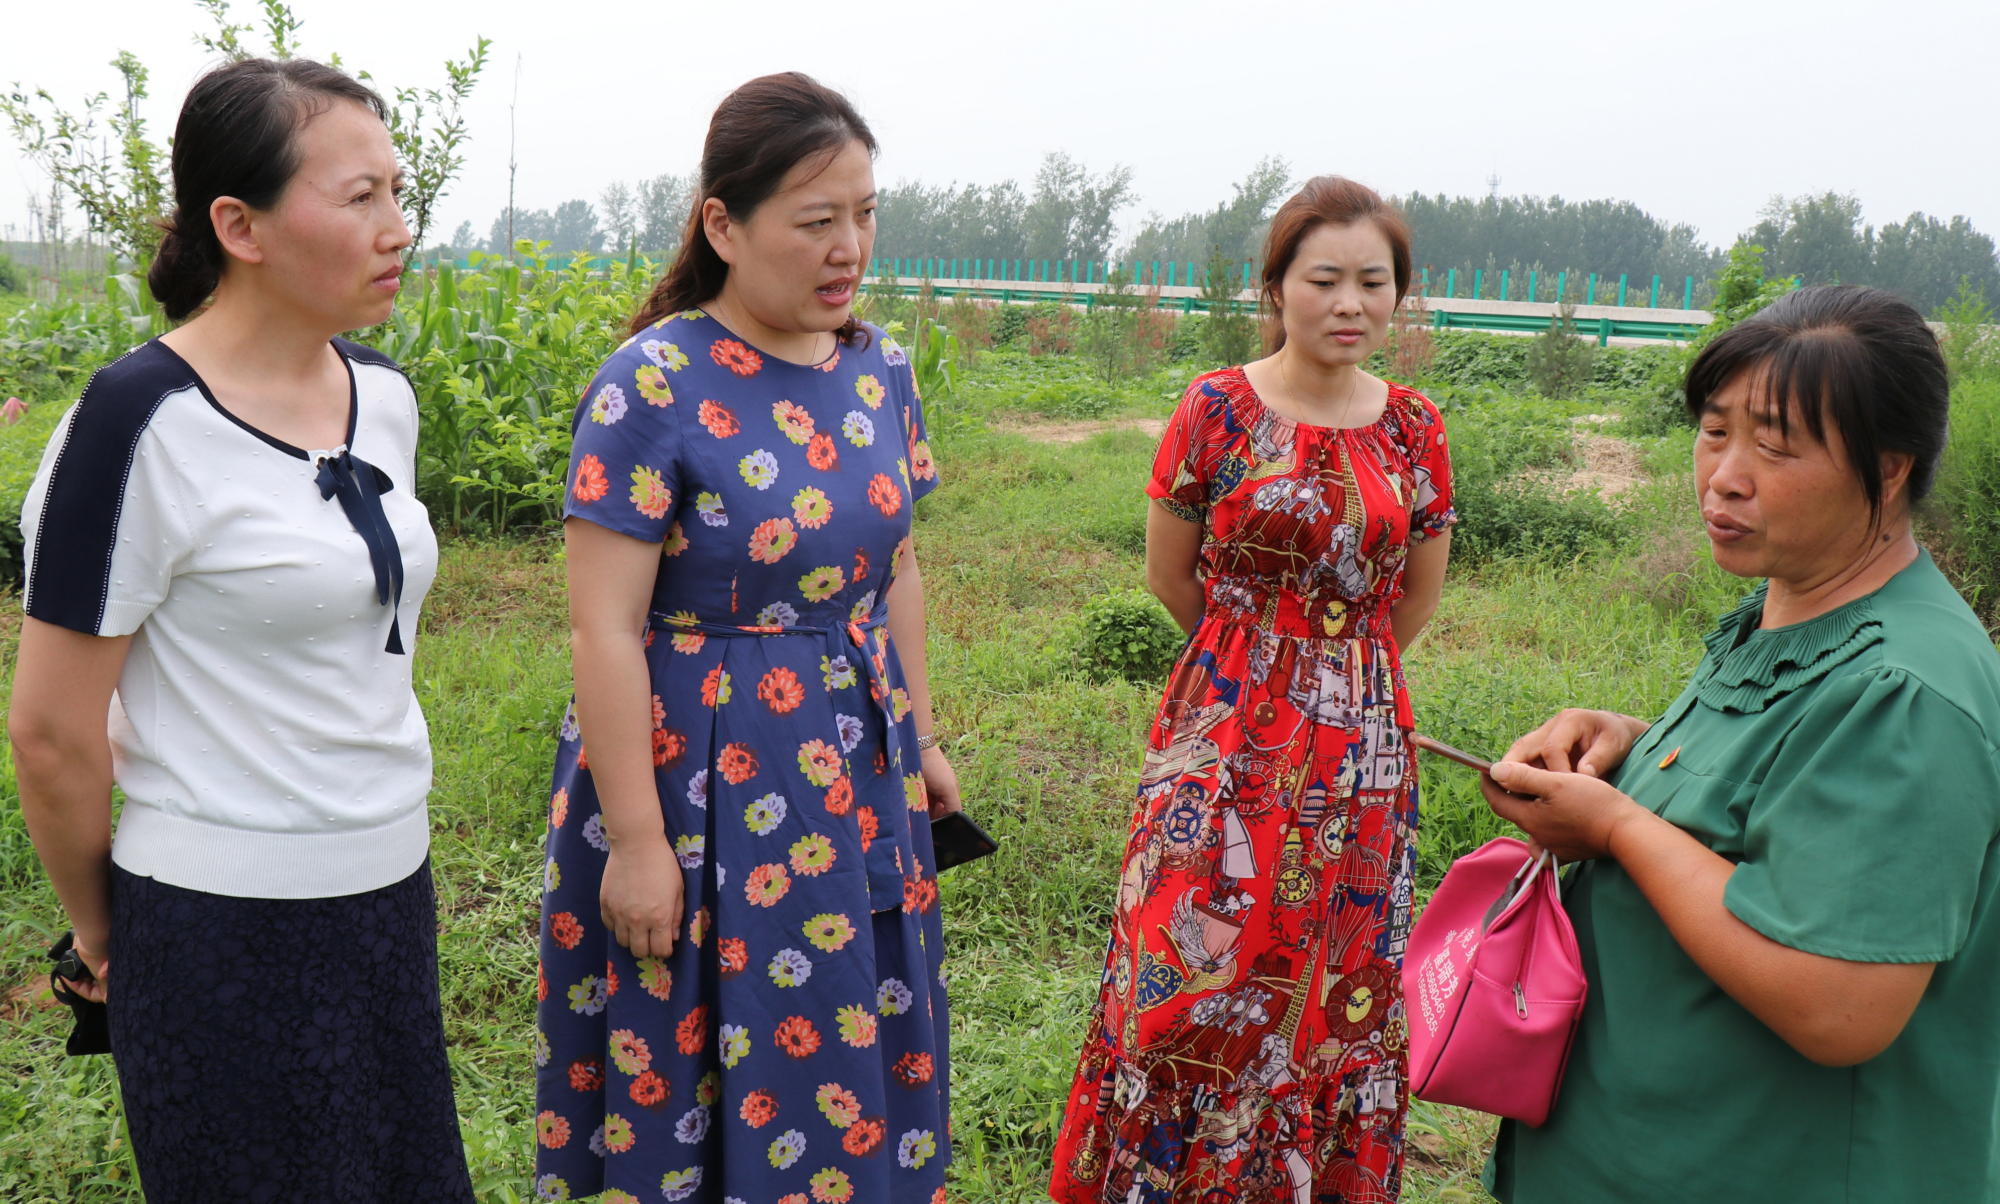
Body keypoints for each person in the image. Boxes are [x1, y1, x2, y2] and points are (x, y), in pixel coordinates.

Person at [9, 58, 472, 1202]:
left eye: (396, 193)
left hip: (387, 895)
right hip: (214, 927)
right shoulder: (134, 424)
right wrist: (106, 938)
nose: (395, 227)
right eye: (357, 197)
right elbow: (54, 734)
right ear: (239, 224)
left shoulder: (385, 397)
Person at [532, 72, 957, 1204]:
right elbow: (603, 627)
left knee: (847, 1020)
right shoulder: (650, 384)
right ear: (722, 223)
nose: (848, 247)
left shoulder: (880, 370)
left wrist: (918, 739)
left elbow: (896, 567)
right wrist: (634, 841)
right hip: (696, 781)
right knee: (702, 1043)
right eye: (816, 221)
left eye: (865, 214)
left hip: (854, 766)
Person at [1477, 285, 2000, 1202]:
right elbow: (1778, 795)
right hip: (1644, 1147)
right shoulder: (1795, 612)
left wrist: (1616, 826)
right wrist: (1631, 748)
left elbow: (1839, 1004)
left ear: (1887, 470)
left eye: (1776, 445)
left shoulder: (1905, 691)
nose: (1725, 474)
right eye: (1715, 431)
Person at [1049, 176, 1456, 1204]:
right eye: (1323, 278)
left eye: (1374, 281)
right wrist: (1255, 664)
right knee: (1189, 961)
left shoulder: (1413, 428)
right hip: (1223, 736)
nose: (1350, 303)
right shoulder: (1216, 408)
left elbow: (1411, 596)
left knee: (1330, 989)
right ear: (1276, 288)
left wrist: (1333, 674)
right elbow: (1167, 572)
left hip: (1359, 749)